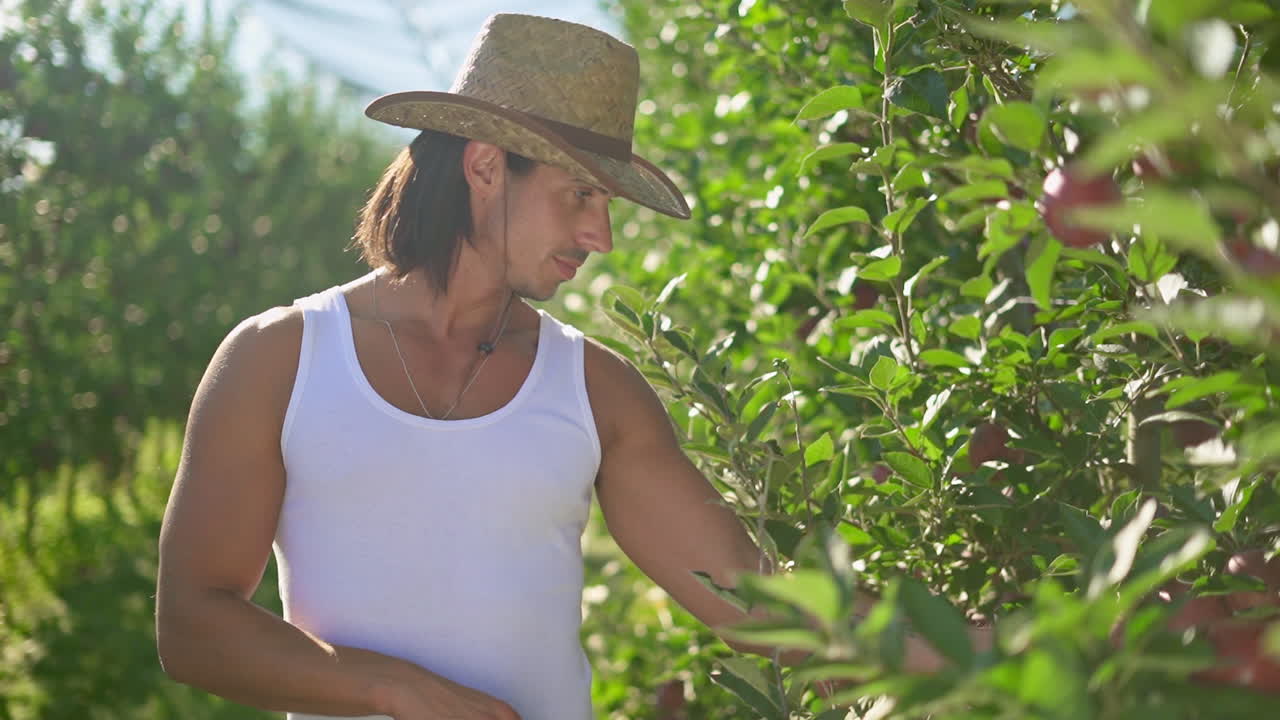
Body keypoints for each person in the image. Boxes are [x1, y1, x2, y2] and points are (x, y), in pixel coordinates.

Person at [154, 13, 985, 720]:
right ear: (485, 166)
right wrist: (405, 695)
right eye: (580, 196)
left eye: (607, 205)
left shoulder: (595, 390)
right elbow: (192, 624)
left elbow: (757, 606)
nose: (602, 237)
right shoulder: (280, 358)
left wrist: (996, 650)